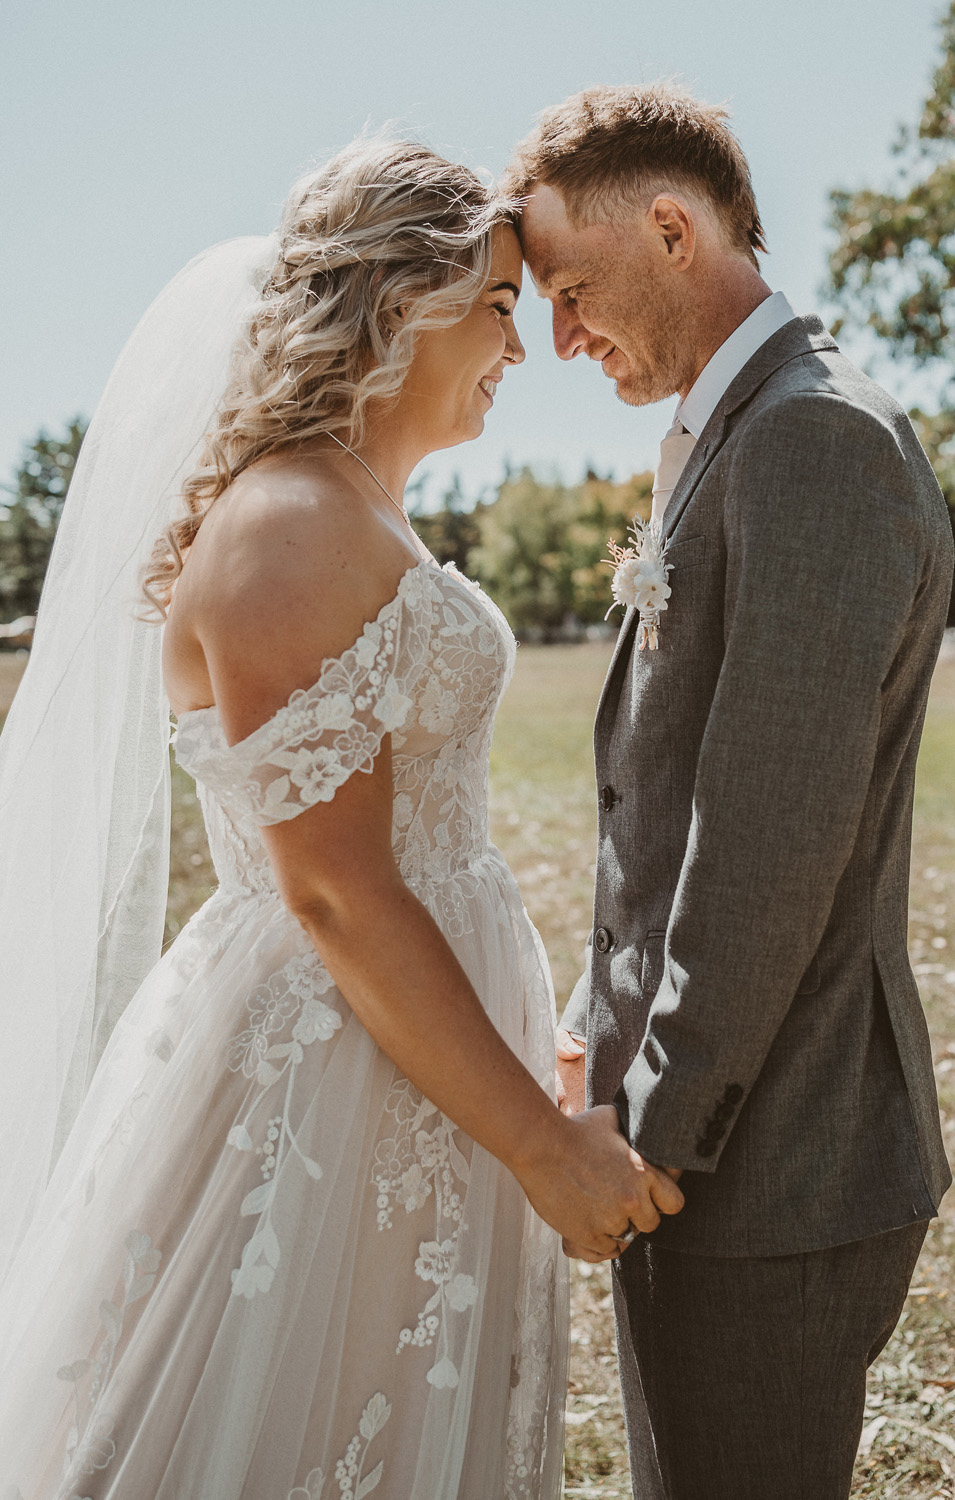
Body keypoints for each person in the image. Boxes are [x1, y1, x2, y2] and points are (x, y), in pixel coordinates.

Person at [0, 137, 683, 1500]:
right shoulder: (291, 526)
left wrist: (527, 1045)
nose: (523, 345)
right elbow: (336, 893)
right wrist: (544, 1148)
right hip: (327, 1075)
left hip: (419, 1056)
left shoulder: (356, 510)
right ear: (399, 304)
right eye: (498, 304)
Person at [507, 85, 953, 1500]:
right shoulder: (741, 432)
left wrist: (644, 1142)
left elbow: (764, 847)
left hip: (767, 1157)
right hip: (715, 1142)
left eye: (574, 290)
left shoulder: (813, 442)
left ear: (671, 226)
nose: (563, 336)